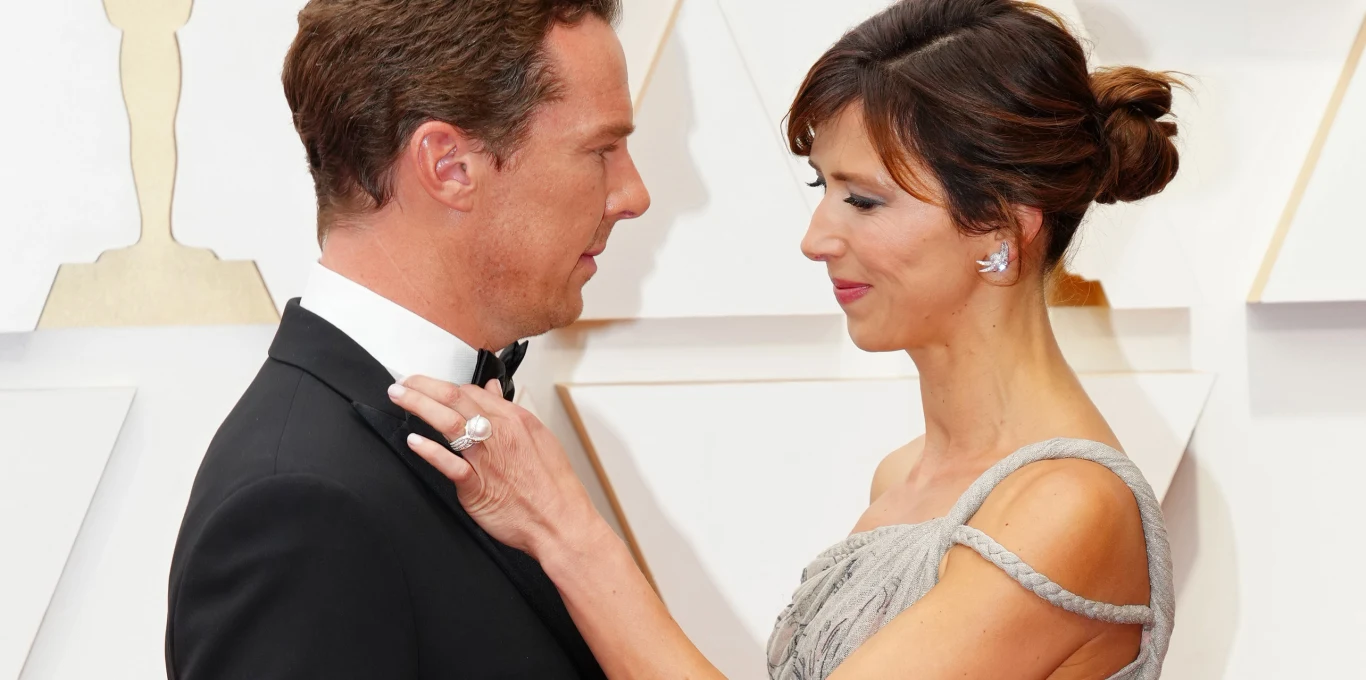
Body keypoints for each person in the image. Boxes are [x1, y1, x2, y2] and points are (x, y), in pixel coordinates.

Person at [388, 0, 1182, 678]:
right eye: (821, 188)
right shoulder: (903, 476)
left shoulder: (1071, 507)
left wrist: (567, 531)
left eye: (863, 201)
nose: (815, 239)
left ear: (1003, 227)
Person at [164, 1, 647, 678]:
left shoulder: (457, 432)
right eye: (600, 150)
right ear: (448, 164)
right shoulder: (298, 508)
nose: (633, 194)